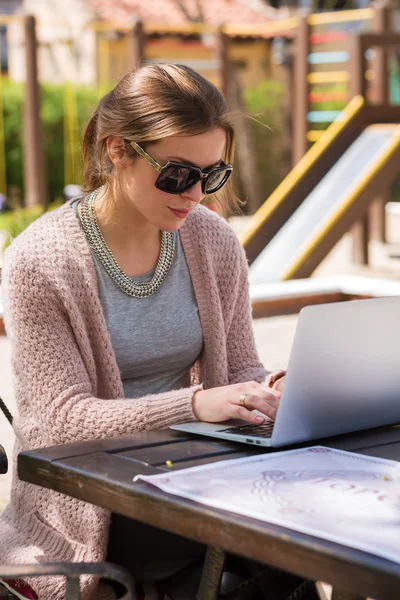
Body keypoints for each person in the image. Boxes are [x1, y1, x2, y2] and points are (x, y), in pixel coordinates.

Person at [0, 63, 316, 600]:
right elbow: (57, 423)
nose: (196, 193)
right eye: (177, 174)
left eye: (213, 174)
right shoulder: (40, 260)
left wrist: (271, 391)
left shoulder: (213, 241)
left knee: (306, 527)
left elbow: (240, 368)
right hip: (93, 500)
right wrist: (194, 406)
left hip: (197, 470)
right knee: (269, 545)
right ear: (117, 149)